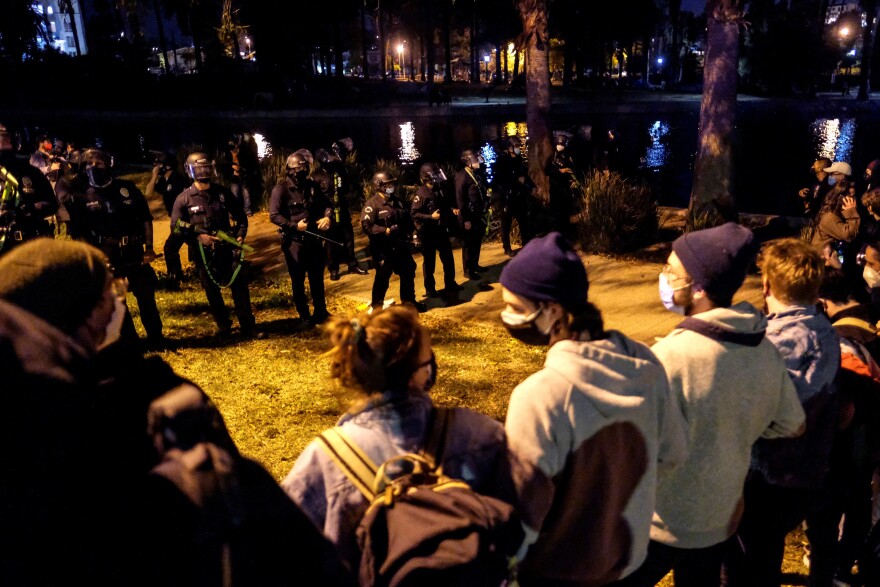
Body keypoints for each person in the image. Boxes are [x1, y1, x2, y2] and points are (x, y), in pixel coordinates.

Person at [0, 238, 353, 586]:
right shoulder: (159, 401)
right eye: (110, 292)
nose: (117, 301)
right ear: (89, 313)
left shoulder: (19, 429)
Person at [499, 232, 689, 586]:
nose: (506, 316)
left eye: (514, 306)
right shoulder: (645, 362)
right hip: (627, 560)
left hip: (558, 572)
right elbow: (674, 453)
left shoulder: (540, 396)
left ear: (552, 311)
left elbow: (521, 511)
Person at [625, 222, 806, 586]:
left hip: (661, 520)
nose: (663, 277)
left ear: (698, 286)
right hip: (719, 517)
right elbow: (792, 423)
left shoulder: (670, 357)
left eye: (671, 271)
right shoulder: (764, 351)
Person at [281, 304, 514, 571]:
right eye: (428, 361)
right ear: (418, 376)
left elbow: (286, 552)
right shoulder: (478, 434)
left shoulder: (324, 460)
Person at [723, 238, 840, 587]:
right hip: (802, 472)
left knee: (746, 564)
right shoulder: (823, 330)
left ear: (766, 284)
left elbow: (765, 406)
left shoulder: (778, 340)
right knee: (764, 557)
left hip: (768, 474)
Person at [62, 147, 165, 348]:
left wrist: (149, 248)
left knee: (146, 296)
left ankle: (156, 338)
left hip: (135, 251)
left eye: (99, 163)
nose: (94, 167)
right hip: (106, 253)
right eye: (90, 164)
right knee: (118, 301)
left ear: (108, 165)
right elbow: (78, 233)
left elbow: (145, 218)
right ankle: (131, 341)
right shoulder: (80, 196)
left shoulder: (126, 188)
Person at [170, 152, 264, 339]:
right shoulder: (184, 198)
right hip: (203, 254)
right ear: (191, 171)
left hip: (227, 251)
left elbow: (240, 218)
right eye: (199, 169)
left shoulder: (222, 193)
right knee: (212, 292)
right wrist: (198, 238)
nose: (204, 172)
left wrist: (239, 237)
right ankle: (224, 326)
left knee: (240, 289)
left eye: (206, 168)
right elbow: (176, 227)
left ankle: (248, 326)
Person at [269, 152, 333, 326]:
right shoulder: (280, 189)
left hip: (313, 239)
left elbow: (327, 204)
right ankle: (304, 315)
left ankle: (321, 311)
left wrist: (327, 217)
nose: (301, 172)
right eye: (298, 169)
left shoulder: (312, 186)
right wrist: (294, 225)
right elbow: (274, 216)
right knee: (298, 280)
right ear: (290, 170)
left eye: (304, 168)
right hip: (294, 242)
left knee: (317, 278)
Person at [361, 171, 426, 312]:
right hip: (383, 249)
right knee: (382, 278)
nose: (391, 186)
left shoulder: (397, 201)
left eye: (392, 183)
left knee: (408, 270)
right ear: (379, 185)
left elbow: (407, 221)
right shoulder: (372, 205)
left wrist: (414, 235)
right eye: (388, 184)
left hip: (399, 246)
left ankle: (409, 303)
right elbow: (367, 226)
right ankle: (377, 308)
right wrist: (386, 230)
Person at [0, 122, 56, 256]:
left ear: (15, 140)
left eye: (5, 138)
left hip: (25, 245)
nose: (2, 143)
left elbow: (52, 203)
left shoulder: (30, 172)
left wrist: (29, 209)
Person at [314, 148, 368, 280]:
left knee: (348, 237)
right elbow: (316, 198)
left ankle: (352, 264)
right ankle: (333, 269)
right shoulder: (317, 176)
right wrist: (323, 215)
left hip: (342, 209)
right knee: (331, 241)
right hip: (327, 212)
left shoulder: (339, 171)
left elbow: (348, 187)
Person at [411, 162, 459, 299]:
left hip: (441, 230)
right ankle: (430, 289)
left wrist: (451, 209)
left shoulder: (438, 189)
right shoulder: (421, 194)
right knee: (429, 262)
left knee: (448, 259)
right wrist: (430, 217)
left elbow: (443, 204)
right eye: (434, 175)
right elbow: (414, 214)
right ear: (427, 177)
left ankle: (450, 283)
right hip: (428, 233)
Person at [145, 151, 191, 287]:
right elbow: (148, 193)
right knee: (190, 244)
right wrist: (154, 176)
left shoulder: (178, 179)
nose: (156, 166)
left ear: (167, 166)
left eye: (159, 164)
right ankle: (182, 273)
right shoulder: (164, 181)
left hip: (184, 219)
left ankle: (175, 276)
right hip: (178, 220)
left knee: (170, 247)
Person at [492, 137, 533, 256]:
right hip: (506, 198)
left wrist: (531, 186)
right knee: (506, 224)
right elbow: (501, 180)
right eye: (516, 146)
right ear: (509, 148)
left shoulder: (519, 160)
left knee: (523, 222)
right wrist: (516, 180)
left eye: (518, 146)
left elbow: (524, 176)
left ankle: (526, 245)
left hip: (518, 197)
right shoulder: (502, 162)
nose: (518, 149)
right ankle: (507, 247)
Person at [454, 149, 490, 280]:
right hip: (469, 216)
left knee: (476, 241)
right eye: (474, 160)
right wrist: (466, 219)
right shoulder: (462, 176)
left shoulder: (474, 173)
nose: (477, 162)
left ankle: (475, 265)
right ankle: (468, 270)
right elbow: (460, 199)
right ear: (467, 161)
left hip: (477, 214)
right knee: (469, 244)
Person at [546, 132, 577, 239]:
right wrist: (559, 171)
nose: (560, 146)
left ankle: (566, 234)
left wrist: (572, 180)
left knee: (565, 212)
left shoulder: (568, 157)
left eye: (562, 145)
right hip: (555, 188)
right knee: (556, 212)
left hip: (565, 189)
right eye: (559, 144)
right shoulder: (551, 157)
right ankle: (556, 233)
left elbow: (573, 170)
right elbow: (546, 171)